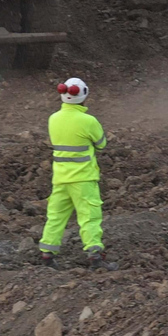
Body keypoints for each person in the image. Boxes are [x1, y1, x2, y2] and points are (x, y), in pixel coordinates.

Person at [38, 76, 111, 268]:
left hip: (61, 178)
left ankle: (47, 254)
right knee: (89, 217)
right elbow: (102, 144)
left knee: (56, 216)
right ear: (83, 95)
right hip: (83, 179)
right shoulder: (88, 121)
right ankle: (94, 255)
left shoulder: (53, 118)